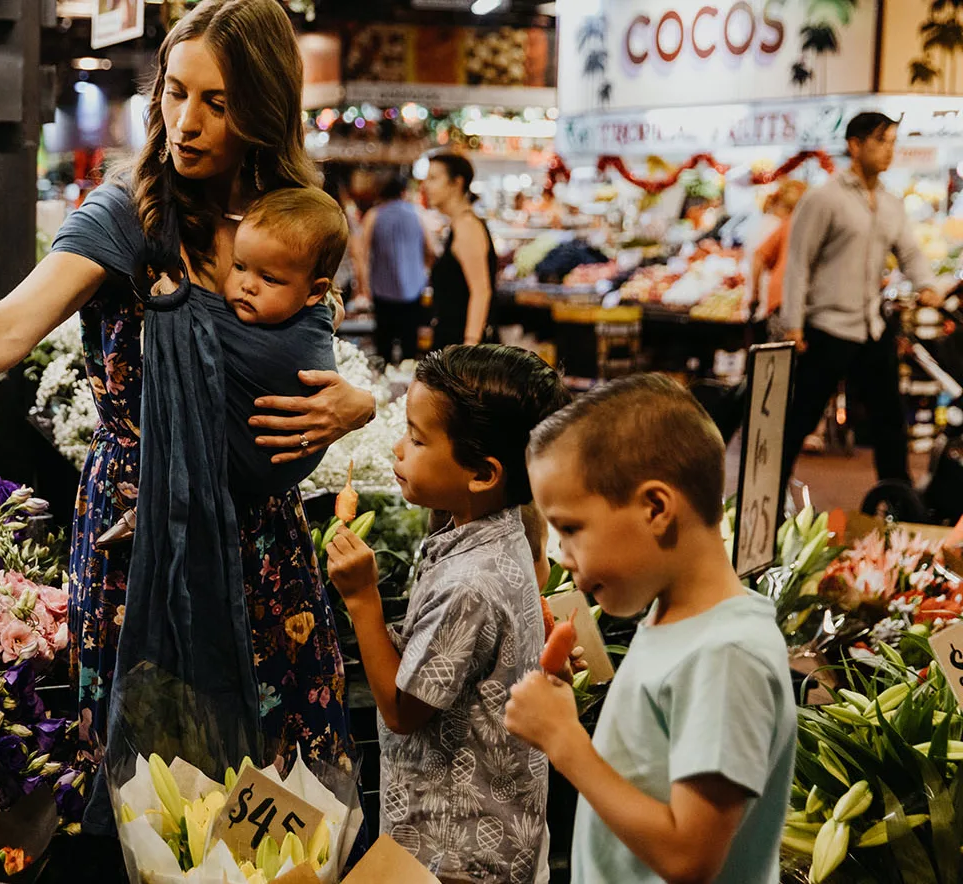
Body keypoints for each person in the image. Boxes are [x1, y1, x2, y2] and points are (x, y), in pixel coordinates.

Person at [0, 0, 375, 839]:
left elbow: (316, 354)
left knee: (275, 805)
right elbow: (7, 328)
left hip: (261, 554)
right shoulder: (129, 217)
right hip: (139, 540)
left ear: (265, 107)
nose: (185, 123)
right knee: (153, 792)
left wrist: (358, 405)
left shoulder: (300, 223)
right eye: (175, 93)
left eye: (217, 104)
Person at [505, 375, 796, 884]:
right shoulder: (676, 616)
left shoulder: (726, 654)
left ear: (656, 509)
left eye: (571, 529)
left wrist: (564, 739)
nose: (562, 556)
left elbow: (690, 858)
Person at [326, 345, 573, 882]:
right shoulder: (490, 531)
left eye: (416, 439)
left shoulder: (470, 584)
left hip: (455, 855)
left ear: (483, 473)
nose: (397, 449)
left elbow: (400, 710)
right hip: (494, 832)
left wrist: (363, 598)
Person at [95, 185, 351, 544]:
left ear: (314, 291)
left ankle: (147, 514)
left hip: (256, 486)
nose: (247, 286)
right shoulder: (296, 309)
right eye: (240, 267)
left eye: (269, 279)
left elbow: (271, 355)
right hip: (246, 485)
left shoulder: (307, 326)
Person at [781, 112, 946, 495]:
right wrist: (793, 324)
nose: (889, 151)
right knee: (799, 421)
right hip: (827, 328)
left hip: (872, 326)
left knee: (890, 422)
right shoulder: (824, 198)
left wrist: (928, 286)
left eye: (892, 142)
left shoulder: (890, 204)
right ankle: (766, 501)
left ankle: (898, 504)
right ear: (855, 146)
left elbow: (910, 253)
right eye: (880, 141)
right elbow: (798, 262)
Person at [423, 151, 497, 349]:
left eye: (433, 178)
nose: (426, 186)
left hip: (461, 347)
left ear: (457, 183)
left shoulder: (467, 226)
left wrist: (469, 345)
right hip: (452, 341)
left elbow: (481, 291)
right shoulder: (458, 224)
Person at [361, 174, 432, 361]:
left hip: (382, 290)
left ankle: (383, 384)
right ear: (403, 192)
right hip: (414, 289)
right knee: (410, 345)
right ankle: (407, 385)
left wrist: (363, 285)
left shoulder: (374, 215)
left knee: (383, 346)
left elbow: (361, 253)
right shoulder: (418, 213)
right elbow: (432, 248)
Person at [747, 179, 808, 331]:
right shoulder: (794, 222)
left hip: (781, 298)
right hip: (796, 298)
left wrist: (754, 295)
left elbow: (759, 256)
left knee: (779, 351)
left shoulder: (785, 223)